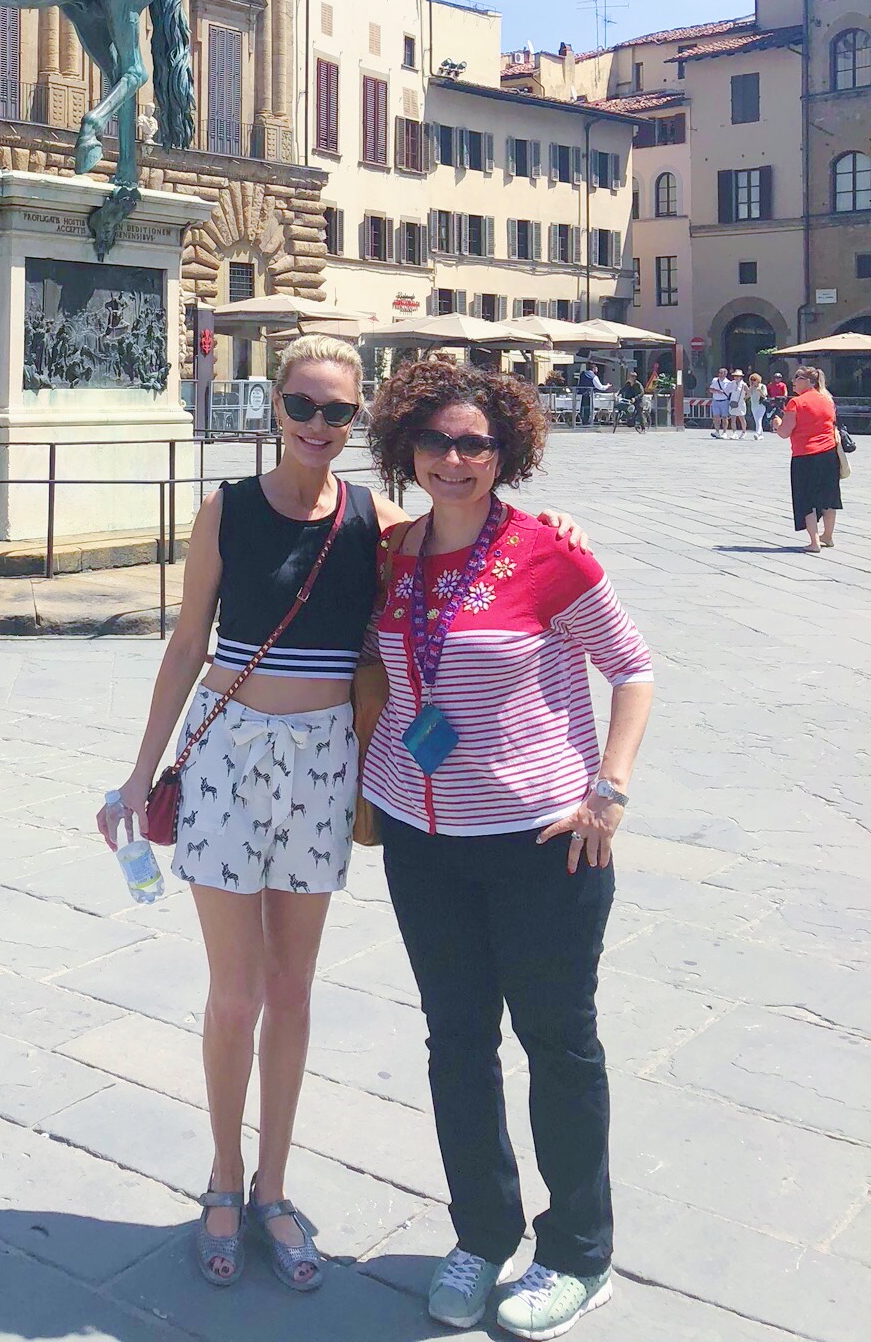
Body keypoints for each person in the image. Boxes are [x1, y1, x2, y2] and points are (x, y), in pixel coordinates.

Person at [101, 338, 589, 1295]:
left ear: (361, 419)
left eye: (335, 412)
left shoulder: (382, 523)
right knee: (234, 992)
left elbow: (481, 534)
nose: (316, 426)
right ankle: (223, 1182)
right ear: (273, 408)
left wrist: (553, 525)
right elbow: (186, 644)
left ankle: (275, 1189)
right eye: (300, 406)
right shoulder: (227, 510)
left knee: (293, 992)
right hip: (230, 755)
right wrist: (136, 775)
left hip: (326, 766)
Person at [362, 359, 653, 1338]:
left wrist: (608, 787)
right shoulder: (392, 554)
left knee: (558, 1043)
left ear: (506, 451)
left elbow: (634, 666)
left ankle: (578, 1249)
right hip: (421, 837)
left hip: (543, 840)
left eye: (474, 442)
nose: (454, 458)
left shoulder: (546, 551)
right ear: (407, 446)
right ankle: (481, 1232)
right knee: (456, 1045)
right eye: (436, 439)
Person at [773, 365, 841, 551]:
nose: (793, 381)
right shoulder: (827, 400)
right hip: (829, 453)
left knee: (807, 499)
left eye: (797, 377)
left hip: (805, 455)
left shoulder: (796, 403)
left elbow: (785, 432)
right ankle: (827, 535)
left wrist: (777, 423)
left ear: (809, 381)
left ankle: (814, 541)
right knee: (829, 496)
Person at [708, 370, 731, 439]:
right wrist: (717, 391)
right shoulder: (715, 380)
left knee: (724, 417)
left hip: (724, 401)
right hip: (715, 401)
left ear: (725, 374)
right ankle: (717, 431)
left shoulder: (728, 383)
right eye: (719, 373)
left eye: (721, 373)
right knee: (716, 417)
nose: (720, 374)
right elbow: (710, 389)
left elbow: (730, 392)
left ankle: (724, 432)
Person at [745, 371, 768, 439]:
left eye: (754, 380)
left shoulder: (762, 386)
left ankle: (757, 433)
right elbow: (748, 395)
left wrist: (759, 391)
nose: (753, 381)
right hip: (754, 406)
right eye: (751, 380)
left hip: (761, 405)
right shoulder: (751, 387)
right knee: (756, 420)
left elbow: (765, 396)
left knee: (759, 419)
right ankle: (760, 434)